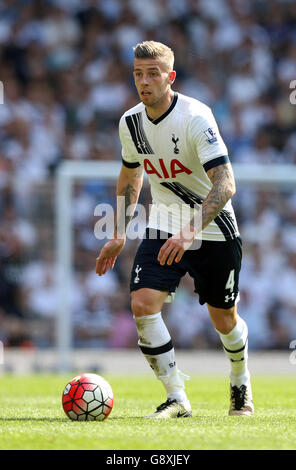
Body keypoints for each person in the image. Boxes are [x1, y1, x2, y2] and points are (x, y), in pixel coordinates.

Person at [96, 41, 253, 418]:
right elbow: (130, 174)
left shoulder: (196, 117)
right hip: (163, 223)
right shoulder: (130, 122)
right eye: (138, 73)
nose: (144, 81)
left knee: (224, 319)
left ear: (171, 77)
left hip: (213, 228)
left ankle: (239, 379)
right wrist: (119, 231)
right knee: (142, 304)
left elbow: (226, 185)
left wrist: (189, 232)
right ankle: (176, 398)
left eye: (153, 73)